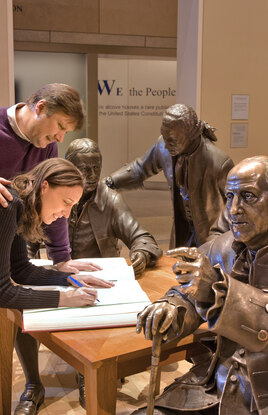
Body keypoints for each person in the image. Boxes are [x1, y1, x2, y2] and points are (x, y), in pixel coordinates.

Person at [133, 155, 268, 415]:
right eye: (229, 197)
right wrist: (172, 307)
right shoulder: (226, 245)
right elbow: (189, 290)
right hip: (217, 384)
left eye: (248, 196)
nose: (234, 209)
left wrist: (216, 287)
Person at [0, 158, 113, 414]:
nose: (66, 214)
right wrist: (64, 298)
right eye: (65, 203)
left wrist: (69, 279)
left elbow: (21, 270)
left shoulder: (18, 206)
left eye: (72, 206)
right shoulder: (7, 207)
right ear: (44, 187)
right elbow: (2, 292)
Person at [65, 137, 163, 407]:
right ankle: (33, 385)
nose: (92, 175)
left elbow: (141, 236)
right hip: (60, 277)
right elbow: (30, 238)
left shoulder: (110, 200)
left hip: (101, 280)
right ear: (68, 166)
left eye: (96, 167)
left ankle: (89, 375)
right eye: (84, 168)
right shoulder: (54, 191)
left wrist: (141, 253)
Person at [105, 104, 234, 248]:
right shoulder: (164, 146)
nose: (166, 146)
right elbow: (139, 169)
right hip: (182, 231)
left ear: (191, 134)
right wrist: (109, 183)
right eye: (164, 137)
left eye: (172, 141)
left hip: (209, 236)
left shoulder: (219, 163)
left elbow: (234, 204)